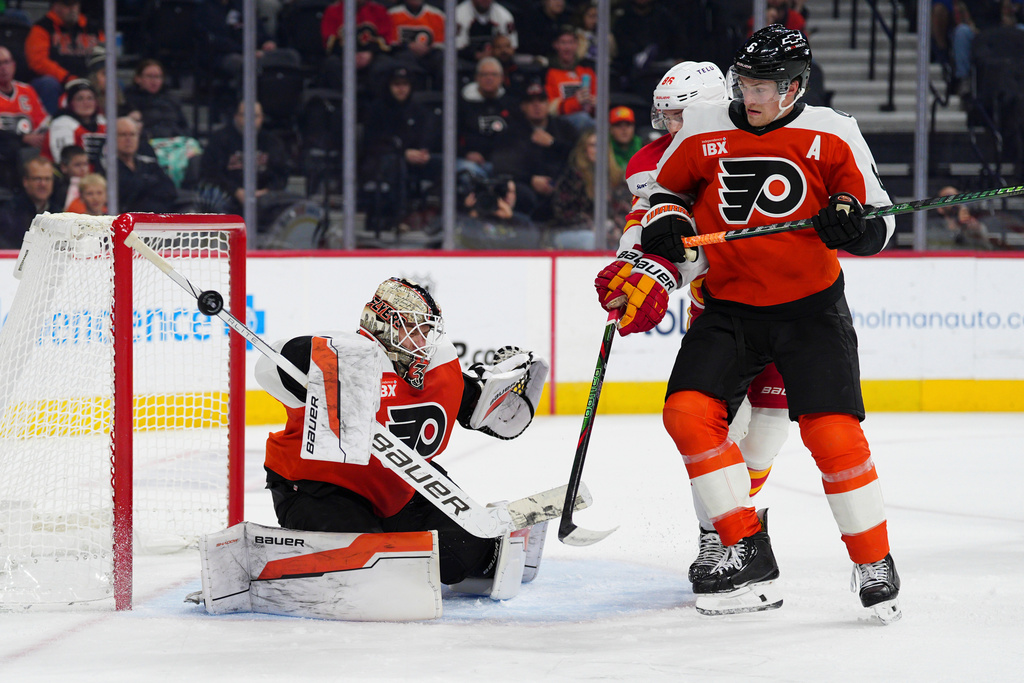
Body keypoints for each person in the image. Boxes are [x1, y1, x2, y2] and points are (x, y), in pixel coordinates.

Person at [594, 25, 902, 623]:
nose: (753, 96)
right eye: (747, 83)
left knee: (831, 436)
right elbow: (667, 193)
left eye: (767, 86)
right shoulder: (706, 124)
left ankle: (874, 560)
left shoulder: (834, 133)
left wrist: (854, 227)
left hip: (810, 310)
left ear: (796, 86)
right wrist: (662, 228)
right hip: (731, 309)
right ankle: (744, 548)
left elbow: (880, 219)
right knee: (686, 414)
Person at [257, 277, 549, 605]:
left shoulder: (440, 368)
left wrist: (511, 390)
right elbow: (269, 366)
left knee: (466, 556)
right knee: (368, 572)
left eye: (429, 331)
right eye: (417, 329)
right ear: (387, 325)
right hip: (318, 489)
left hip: (402, 489)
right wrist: (311, 359)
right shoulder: (341, 358)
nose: (425, 340)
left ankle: (482, 544)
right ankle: (298, 556)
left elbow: (495, 415)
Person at [615, 60, 792, 588]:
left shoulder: (752, 143)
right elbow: (640, 222)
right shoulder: (651, 162)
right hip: (720, 312)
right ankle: (722, 534)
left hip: (788, 313)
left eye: (677, 116)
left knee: (762, 445)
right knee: (716, 434)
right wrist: (634, 265)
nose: (666, 128)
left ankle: (742, 523)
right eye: (663, 116)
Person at [199, 100, 299, 233]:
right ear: (236, 117)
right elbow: (210, 173)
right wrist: (236, 191)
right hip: (229, 197)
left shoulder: (272, 142)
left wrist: (264, 192)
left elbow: (281, 174)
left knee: (293, 203)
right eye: (245, 115)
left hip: (264, 199)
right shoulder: (220, 139)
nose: (250, 120)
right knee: (210, 200)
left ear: (262, 118)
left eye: (255, 116)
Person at [490, 80, 577, 222]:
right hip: (526, 187)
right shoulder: (511, 132)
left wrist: (553, 144)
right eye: (531, 101)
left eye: (541, 100)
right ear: (523, 106)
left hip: (562, 183)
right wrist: (531, 180)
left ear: (548, 104)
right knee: (521, 193)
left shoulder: (564, 128)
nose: (536, 105)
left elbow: (579, 155)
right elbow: (502, 166)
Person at [122, 59, 202, 188]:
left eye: (158, 77)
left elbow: (184, 125)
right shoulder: (129, 100)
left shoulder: (171, 99)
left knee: (196, 152)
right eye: (150, 76)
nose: (154, 81)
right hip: (152, 143)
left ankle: (189, 191)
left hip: (177, 142)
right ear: (138, 78)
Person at [549, 127, 632, 249]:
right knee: (593, 240)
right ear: (584, 150)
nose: (598, 150)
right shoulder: (572, 177)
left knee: (625, 242)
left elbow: (626, 210)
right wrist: (593, 225)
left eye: (601, 145)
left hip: (609, 232)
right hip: (573, 232)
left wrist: (614, 227)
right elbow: (562, 212)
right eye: (593, 145)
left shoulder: (616, 178)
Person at [24, 0, 104, 115]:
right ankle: (50, 124)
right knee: (48, 84)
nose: (72, 9)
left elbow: (104, 55)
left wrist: (96, 77)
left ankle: (107, 125)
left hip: (88, 78)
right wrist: (67, 77)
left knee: (113, 83)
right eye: (67, 5)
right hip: (58, 81)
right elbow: (38, 61)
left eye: (75, 4)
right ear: (54, 5)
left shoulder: (92, 28)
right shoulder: (42, 27)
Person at [457, 56, 517, 179]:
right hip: (472, 163)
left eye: (494, 75)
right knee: (467, 173)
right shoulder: (462, 104)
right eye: (484, 74)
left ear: (501, 78)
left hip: (505, 163)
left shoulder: (511, 104)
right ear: (477, 78)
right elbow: (452, 136)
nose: (489, 78)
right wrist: (466, 153)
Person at [0, 46, 49, 190]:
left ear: (14, 65)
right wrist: (22, 138)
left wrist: (39, 136)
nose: (3, 68)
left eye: (6, 62)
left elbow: (44, 122)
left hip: (28, 150)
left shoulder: (27, 91)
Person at [111, 116, 179, 214]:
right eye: (123, 135)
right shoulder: (108, 166)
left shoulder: (148, 162)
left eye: (132, 135)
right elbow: (122, 195)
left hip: (156, 219)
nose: (128, 139)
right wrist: (148, 183)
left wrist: (140, 187)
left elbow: (170, 191)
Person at [43, 78, 105, 169]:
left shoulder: (103, 122)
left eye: (90, 98)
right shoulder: (61, 124)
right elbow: (64, 163)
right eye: (80, 99)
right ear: (70, 103)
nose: (86, 103)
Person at [0, 154, 60, 247]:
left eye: (47, 179)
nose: (43, 184)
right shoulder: (9, 212)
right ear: (25, 182)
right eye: (37, 179)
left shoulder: (59, 214)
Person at [544, 26, 596, 131]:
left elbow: (598, 101)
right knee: (583, 119)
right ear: (556, 45)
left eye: (571, 42)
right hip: (562, 122)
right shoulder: (550, 73)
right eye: (563, 43)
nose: (567, 47)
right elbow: (551, 109)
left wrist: (596, 104)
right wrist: (575, 102)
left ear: (577, 45)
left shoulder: (587, 72)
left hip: (588, 118)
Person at [388, 0, 446, 86]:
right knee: (404, 58)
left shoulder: (438, 15)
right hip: (404, 56)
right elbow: (391, 43)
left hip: (429, 56)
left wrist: (428, 49)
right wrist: (408, 46)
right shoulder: (391, 14)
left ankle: (442, 95)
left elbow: (440, 44)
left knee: (442, 60)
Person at [454, 0, 518, 62]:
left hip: (497, 63)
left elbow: (512, 47)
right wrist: (477, 55)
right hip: (465, 64)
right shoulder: (458, 16)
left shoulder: (504, 16)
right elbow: (456, 49)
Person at [51, 143, 88, 209]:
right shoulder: (57, 189)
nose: (83, 169)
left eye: (85, 164)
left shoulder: (93, 184)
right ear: (64, 167)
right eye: (77, 165)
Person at [608, 105, 642, 170]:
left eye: (628, 125)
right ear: (611, 129)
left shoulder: (642, 146)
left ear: (634, 127)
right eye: (618, 125)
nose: (624, 129)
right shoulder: (604, 149)